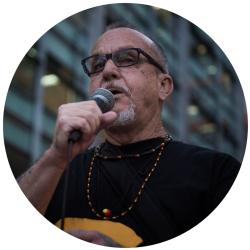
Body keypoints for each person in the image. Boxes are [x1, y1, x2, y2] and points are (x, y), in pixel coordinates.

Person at [18, 24, 240, 247]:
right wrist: (56, 157)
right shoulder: (59, 168)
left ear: (163, 86)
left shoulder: (217, 173)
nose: (108, 71)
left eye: (127, 59)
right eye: (97, 65)